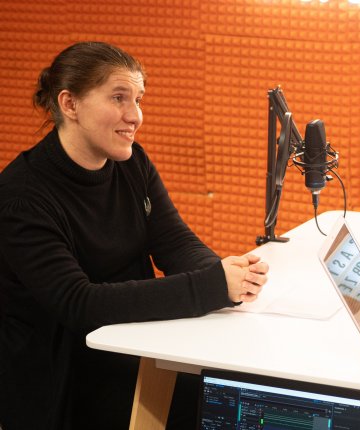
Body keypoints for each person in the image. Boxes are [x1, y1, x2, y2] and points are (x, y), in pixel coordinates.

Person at [0, 41, 270, 429]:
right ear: (70, 104)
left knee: (239, 389)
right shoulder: (22, 198)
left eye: (138, 99)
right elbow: (80, 304)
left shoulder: (131, 161)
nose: (135, 116)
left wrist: (229, 274)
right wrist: (212, 286)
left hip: (132, 347)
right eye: (118, 98)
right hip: (66, 379)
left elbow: (173, 241)